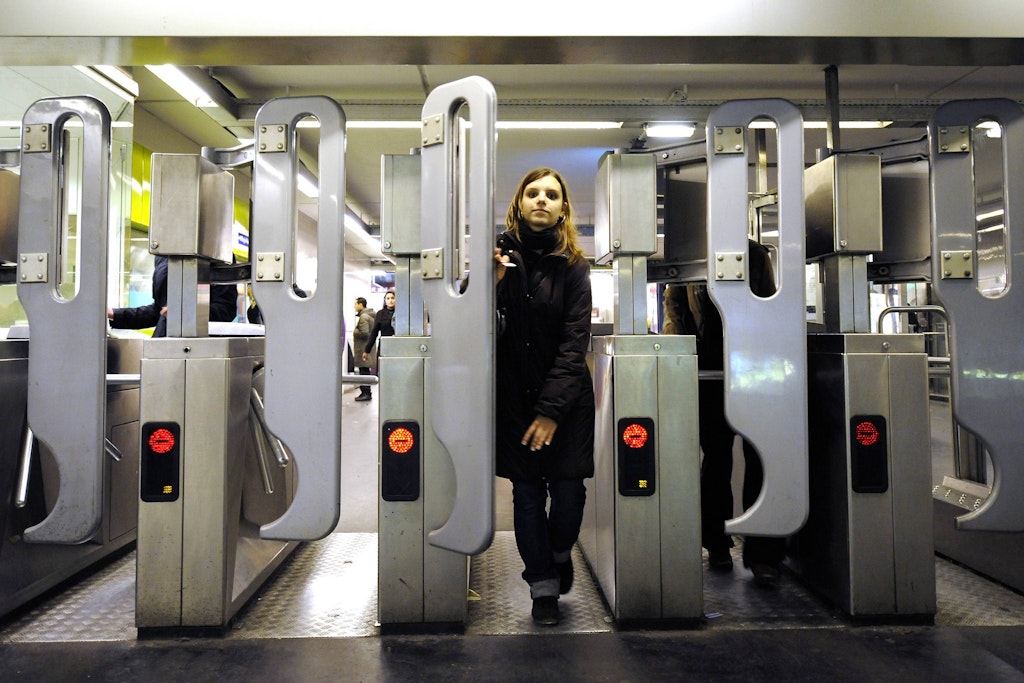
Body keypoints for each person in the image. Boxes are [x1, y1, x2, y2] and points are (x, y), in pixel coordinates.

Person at [493, 168, 595, 626]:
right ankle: (543, 588)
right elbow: (473, 329)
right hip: (515, 401)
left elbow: (576, 342)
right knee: (528, 495)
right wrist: (490, 283)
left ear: (563, 208)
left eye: (551, 194)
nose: (541, 200)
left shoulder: (573, 265)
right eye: (532, 192)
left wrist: (552, 411)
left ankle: (558, 551)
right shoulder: (496, 258)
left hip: (566, 403)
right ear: (519, 203)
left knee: (570, 494)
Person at [661, 239, 787, 587]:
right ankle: (717, 541)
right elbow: (675, 315)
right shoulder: (687, 253)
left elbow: (769, 309)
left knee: (759, 457)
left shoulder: (755, 255)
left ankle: (763, 551)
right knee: (717, 458)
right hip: (708, 375)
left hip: (751, 371)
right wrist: (680, 366)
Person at [108, 254, 238, 336]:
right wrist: (114, 314)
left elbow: (225, 309)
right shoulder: (162, 255)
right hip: (163, 345)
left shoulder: (218, 253)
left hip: (199, 347)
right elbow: (158, 311)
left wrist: (186, 312)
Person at [362, 289, 395, 372]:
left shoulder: (401, 313)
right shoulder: (380, 314)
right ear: (385, 300)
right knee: (383, 370)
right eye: (388, 298)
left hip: (397, 345)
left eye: (392, 298)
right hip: (384, 345)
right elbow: (374, 332)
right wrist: (367, 350)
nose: (390, 300)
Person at [352, 296, 376, 401]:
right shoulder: (369, 316)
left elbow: (364, 333)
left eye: (355, 304)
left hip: (363, 349)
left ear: (360, 305)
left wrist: (355, 332)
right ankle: (366, 392)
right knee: (365, 370)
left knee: (364, 371)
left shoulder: (364, 317)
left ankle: (365, 393)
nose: (354, 307)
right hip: (367, 348)